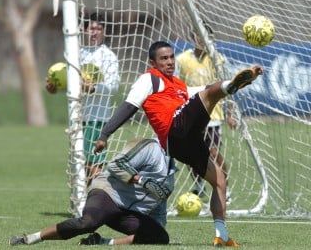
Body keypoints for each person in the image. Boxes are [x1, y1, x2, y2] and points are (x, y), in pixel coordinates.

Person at [94, 41, 263, 247]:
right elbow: (129, 106)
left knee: (219, 180)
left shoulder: (179, 85)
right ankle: (231, 86)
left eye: (172, 57)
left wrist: (243, 80)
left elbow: (205, 88)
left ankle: (222, 236)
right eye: (164, 58)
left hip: (185, 143)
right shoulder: (149, 79)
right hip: (173, 130)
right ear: (152, 62)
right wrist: (105, 134)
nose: (170, 62)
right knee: (212, 93)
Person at [9, 138, 175, 246]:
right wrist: (140, 179)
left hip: (126, 212)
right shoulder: (149, 147)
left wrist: (155, 229)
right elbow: (115, 165)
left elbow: (159, 208)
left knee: (160, 237)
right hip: (107, 192)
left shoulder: (170, 178)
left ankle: (102, 242)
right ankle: (30, 238)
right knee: (88, 223)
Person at [46, 13, 120, 185]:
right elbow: (70, 84)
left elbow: (114, 86)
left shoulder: (108, 56)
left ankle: (100, 203)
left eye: (98, 29)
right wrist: (55, 88)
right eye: (91, 28)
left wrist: (93, 88)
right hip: (78, 118)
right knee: (84, 167)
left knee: (95, 166)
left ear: (104, 31)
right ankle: (90, 203)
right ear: (85, 30)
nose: (94, 32)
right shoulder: (77, 55)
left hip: (98, 118)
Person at [176, 24, 236, 204]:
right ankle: (198, 185)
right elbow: (177, 87)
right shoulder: (182, 59)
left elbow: (229, 88)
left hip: (213, 116)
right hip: (191, 113)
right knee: (190, 153)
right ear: (193, 37)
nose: (202, 40)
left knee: (213, 151)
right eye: (198, 36)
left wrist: (230, 113)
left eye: (206, 37)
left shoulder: (218, 60)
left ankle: (224, 185)